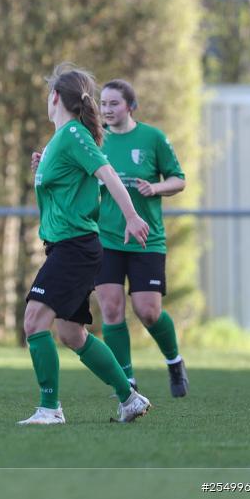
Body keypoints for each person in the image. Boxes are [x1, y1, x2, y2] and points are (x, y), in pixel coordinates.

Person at [21, 64, 152, 425]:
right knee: (70, 332)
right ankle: (129, 399)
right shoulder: (60, 140)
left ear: (55, 98)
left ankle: (50, 409)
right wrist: (43, 165)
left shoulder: (74, 134)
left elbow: (106, 174)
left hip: (75, 247)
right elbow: (67, 184)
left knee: (34, 320)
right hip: (66, 245)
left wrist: (131, 216)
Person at [96, 79, 188, 397]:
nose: (106, 110)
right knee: (110, 308)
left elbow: (179, 179)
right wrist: (45, 164)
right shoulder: (96, 140)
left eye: (113, 104)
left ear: (130, 107)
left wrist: (156, 188)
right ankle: (127, 381)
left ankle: (174, 361)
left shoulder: (152, 138)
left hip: (146, 238)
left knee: (147, 311)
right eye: (103, 104)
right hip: (106, 237)